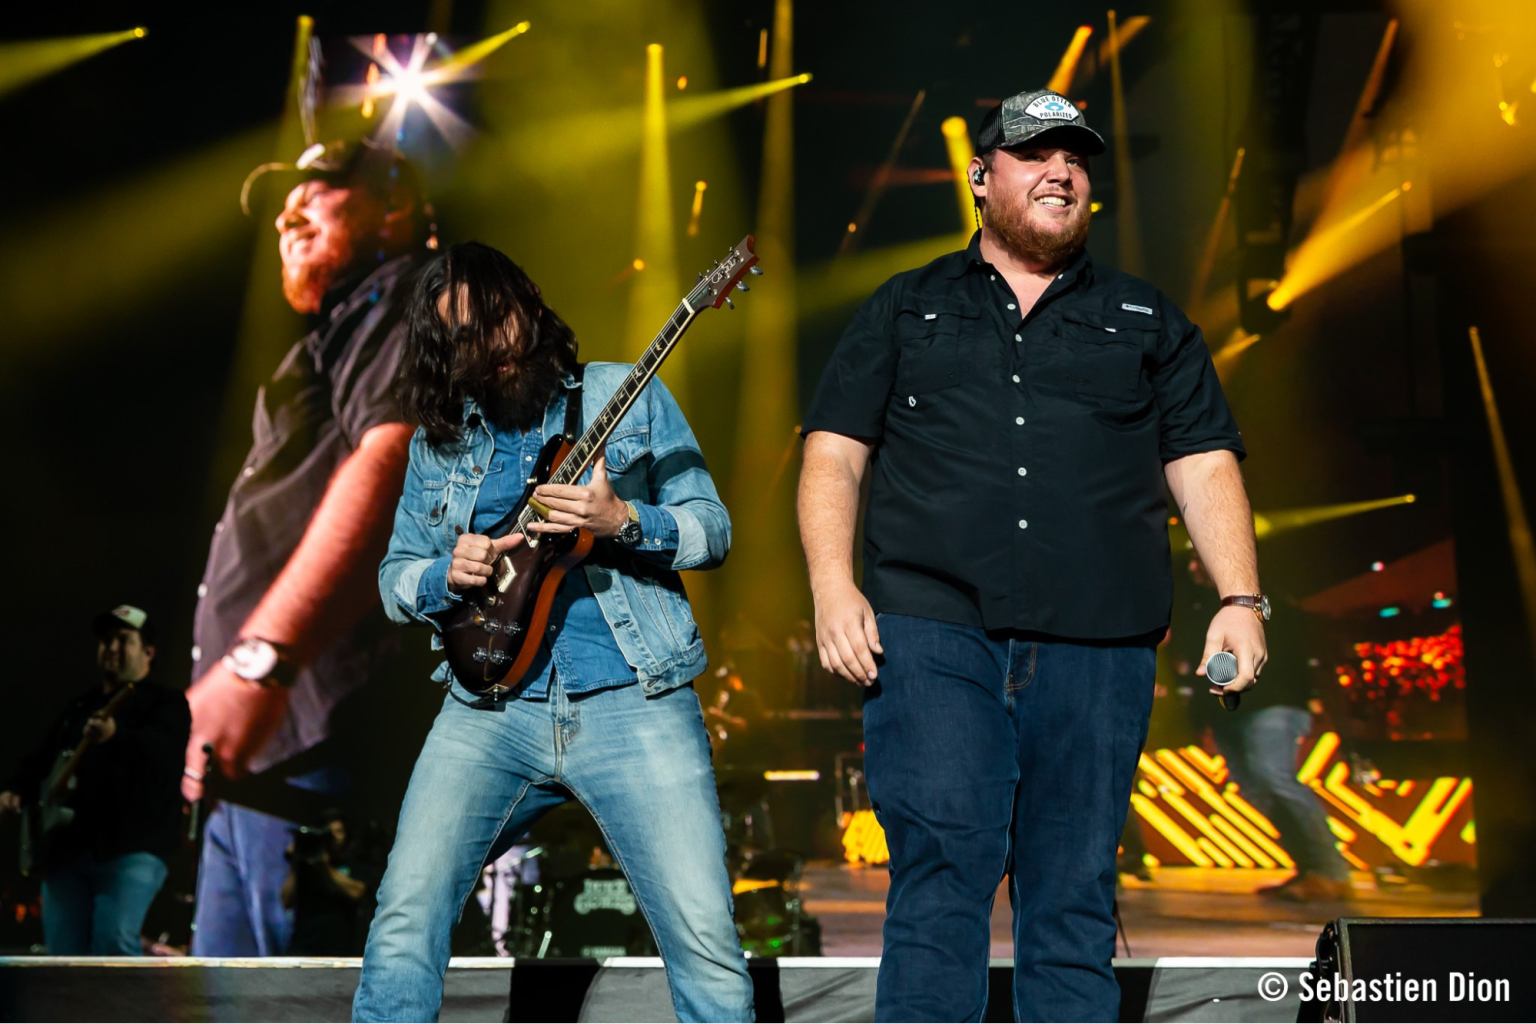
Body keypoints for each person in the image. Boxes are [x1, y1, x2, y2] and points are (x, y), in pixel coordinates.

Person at [797, 88, 1268, 1022]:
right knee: (940, 871)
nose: (1061, 170)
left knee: (1073, 890)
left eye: (1076, 157)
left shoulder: (1146, 320)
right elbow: (832, 456)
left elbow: (1203, 462)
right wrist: (830, 584)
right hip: (931, 630)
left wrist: (1241, 599)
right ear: (982, 177)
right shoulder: (906, 307)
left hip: (1101, 641)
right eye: (1035, 152)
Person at [351, 242, 751, 1022]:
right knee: (406, 914)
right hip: (488, 714)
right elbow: (394, 579)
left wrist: (622, 520)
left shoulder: (619, 393)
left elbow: (713, 529)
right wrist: (446, 574)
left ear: (529, 303)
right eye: (463, 338)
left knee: (704, 941)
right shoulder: (436, 443)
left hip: (635, 701)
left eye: (495, 319)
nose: (490, 348)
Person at [185, 138, 431, 956]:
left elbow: (394, 462)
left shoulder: (397, 299)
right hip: (260, 766)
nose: (287, 210)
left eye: (317, 189)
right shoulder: (327, 340)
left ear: (392, 206)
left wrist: (260, 663)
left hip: (319, 750)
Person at [0, 606, 190, 954]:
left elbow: (165, 757)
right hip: (68, 850)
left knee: (114, 945)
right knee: (62, 958)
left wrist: (118, 735)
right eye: (106, 641)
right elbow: (43, 756)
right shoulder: (79, 707)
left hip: (132, 848)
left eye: (123, 640)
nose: (111, 648)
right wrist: (15, 788)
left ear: (148, 651)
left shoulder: (167, 703)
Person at [1175, 557, 1351, 901]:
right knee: (1256, 788)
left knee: (1275, 779)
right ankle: (1311, 869)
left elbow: (1289, 649)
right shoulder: (1202, 610)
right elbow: (1203, 667)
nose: (1194, 568)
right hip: (1231, 712)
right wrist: (1202, 720)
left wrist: (1303, 700)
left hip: (1271, 703)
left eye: (1201, 561)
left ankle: (1331, 871)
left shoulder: (1262, 600)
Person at [281, 810, 371, 955]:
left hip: (338, 950)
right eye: (329, 832)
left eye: (339, 831)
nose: (334, 837)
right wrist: (296, 862)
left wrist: (325, 867)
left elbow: (357, 892)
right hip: (302, 948)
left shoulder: (353, 863)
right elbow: (286, 901)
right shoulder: (306, 865)